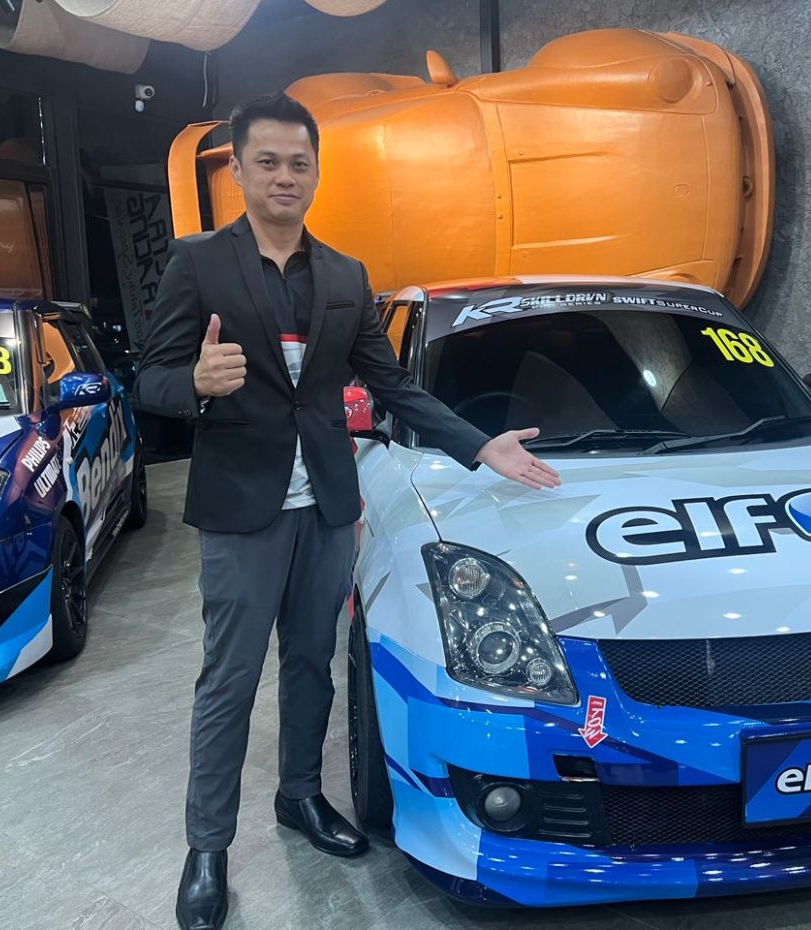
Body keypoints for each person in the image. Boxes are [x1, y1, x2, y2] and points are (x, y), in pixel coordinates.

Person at [133, 93, 561, 930]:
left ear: (316, 172)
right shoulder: (198, 264)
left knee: (311, 665)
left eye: (299, 163)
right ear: (239, 170)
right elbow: (147, 378)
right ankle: (207, 846)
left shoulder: (343, 275)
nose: (284, 176)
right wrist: (191, 384)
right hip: (242, 508)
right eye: (267, 162)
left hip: (328, 504)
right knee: (229, 679)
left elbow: (391, 384)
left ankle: (300, 795)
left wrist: (479, 445)